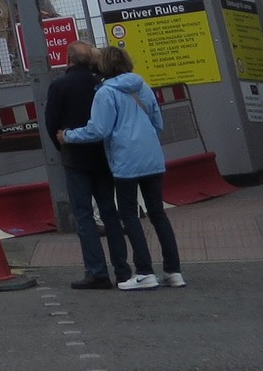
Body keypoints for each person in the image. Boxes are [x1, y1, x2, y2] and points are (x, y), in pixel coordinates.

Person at [56, 44, 183, 291]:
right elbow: (157, 122)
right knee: (158, 214)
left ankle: (145, 272)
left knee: (129, 216)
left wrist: (68, 136)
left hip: (126, 160)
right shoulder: (142, 86)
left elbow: (98, 130)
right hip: (152, 158)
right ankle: (174, 271)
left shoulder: (105, 93)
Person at [44, 40, 129, 290]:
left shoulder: (59, 86)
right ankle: (123, 270)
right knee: (109, 212)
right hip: (103, 157)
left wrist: (63, 146)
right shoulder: (100, 85)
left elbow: (51, 124)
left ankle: (96, 271)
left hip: (76, 158)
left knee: (83, 215)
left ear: (67, 58)